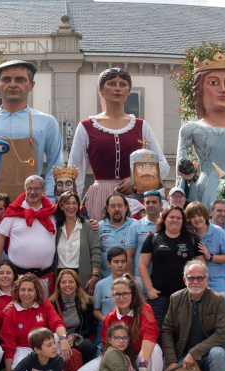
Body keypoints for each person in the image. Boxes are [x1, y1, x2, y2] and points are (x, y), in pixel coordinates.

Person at [70, 68, 169, 218]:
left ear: (129, 90)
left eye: (123, 84)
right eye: (111, 83)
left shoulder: (141, 126)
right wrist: (72, 204)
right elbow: (75, 171)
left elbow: (163, 166)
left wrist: (136, 181)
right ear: (101, 89)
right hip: (100, 196)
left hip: (135, 198)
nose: (117, 88)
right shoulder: (86, 126)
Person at [0, 61, 63, 201]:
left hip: (32, 203)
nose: (13, 85)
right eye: (6, 80)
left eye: (20, 80)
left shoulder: (47, 122)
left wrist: (49, 198)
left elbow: (55, 164)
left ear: (31, 85)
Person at [175, 50, 225, 205]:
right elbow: (181, 170)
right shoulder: (191, 129)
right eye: (213, 82)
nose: (223, 89)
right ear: (199, 89)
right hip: (201, 191)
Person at [74, 275, 164, 371]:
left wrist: (142, 365)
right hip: (120, 358)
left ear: (132, 294)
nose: (121, 298)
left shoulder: (144, 309)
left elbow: (150, 334)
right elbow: (106, 345)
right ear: (112, 296)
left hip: (141, 356)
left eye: (125, 293)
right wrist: (118, 368)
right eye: (117, 294)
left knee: (155, 350)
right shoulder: (111, 316)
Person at [159, 261, 225, 371]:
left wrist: (194, 352)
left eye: (200, 278)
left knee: (218, 353)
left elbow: (222, 333)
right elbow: (167, 331)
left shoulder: (217, 299)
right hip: (186, 358)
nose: (195, 282)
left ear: (206, 279)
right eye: (191, 278)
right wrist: (171, 361)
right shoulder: (176, 299)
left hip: (209, 354)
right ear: (184, 280)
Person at [0, 273, 70, 371]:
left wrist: (63, 338)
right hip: (23, 349)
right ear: (17, 292)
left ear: (36, 292)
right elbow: (9, 344)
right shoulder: (11, 312)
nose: (26, 293)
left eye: (30, 290)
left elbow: (57, 322)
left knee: (56, 336)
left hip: (43, 347)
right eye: (23, 290)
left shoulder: (45, 304)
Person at [0, 175, 58, 293]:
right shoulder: (14, 210)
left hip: (44, 277)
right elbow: (1, 235)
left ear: (43, 190)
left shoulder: (52, 212)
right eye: (29, 188)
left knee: (43, 311)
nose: (32, 192)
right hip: (19, 277)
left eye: (36, 188)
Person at [139, 205, 199, 328]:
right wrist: (150, 289)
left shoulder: (192, 240)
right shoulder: (153, 238)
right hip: (159, 297)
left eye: (179, 218)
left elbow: (201, 268)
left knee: (183, 333)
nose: (175, 220)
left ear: (183, 221)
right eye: (171, 217)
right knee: (159, 332)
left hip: (186, 296)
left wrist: (196, 291)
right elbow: (142, 265)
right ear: (164, 219)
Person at [54, 190, 101, 292]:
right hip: (60, 277)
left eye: (74, 203)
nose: (71, 206)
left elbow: (95, 252)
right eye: (67, 203)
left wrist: (95, 275)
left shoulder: (88, 226)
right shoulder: (56, 228)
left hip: (82, 276)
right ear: (61, 206)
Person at [49, 269, 96, 365]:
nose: (67, 285)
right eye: (63, 282)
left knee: (88, 346)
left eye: (71, 282)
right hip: (57, 338)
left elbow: (89, 329)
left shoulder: (86, 302)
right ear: (58, 286)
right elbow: (48, 328)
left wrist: (75, 337)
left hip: (77, 337)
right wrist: (63, 338)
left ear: (77, 285)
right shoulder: (51, 304)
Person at [186, 202, 225, 296]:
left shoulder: (218, 231)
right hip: (194, 284)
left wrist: (210, 256)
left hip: (216, 284)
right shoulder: (188, 233)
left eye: (199, 215)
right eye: (192, 216)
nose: (197, 219)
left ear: (205, 215)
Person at [125, 189, 163, 280]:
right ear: (144, 205)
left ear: (161, 205)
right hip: (139, 276)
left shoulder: (167, 224)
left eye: (154, 202)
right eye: (148, 202)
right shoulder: (135, 226)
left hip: (163, 275)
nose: (150, 205)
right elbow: (129, 256)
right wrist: (131, 279)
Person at [97, 194, 134, 280]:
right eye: (113, 206)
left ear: (126, 208)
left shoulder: (135, 226)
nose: (116, 209)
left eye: (120, 205)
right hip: (104, 279)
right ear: (108, 209)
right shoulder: (99, 227)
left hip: (128, 280)